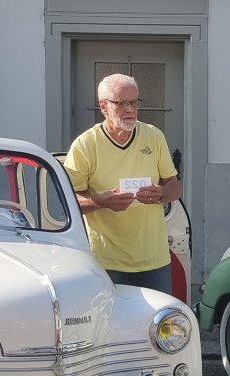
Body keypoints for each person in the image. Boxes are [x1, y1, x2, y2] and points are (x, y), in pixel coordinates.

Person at [64, 74, 182, 295]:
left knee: (158, 316)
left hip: (153, 259)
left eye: (134, 102)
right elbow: (67, 202)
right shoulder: (85, 145)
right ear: (104, 106)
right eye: (121, 103)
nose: (130, 110)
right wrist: (100, 202)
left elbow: (175, 188)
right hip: (105, 261)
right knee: (108, 317)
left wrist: (161, 194)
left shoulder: (153, 136)